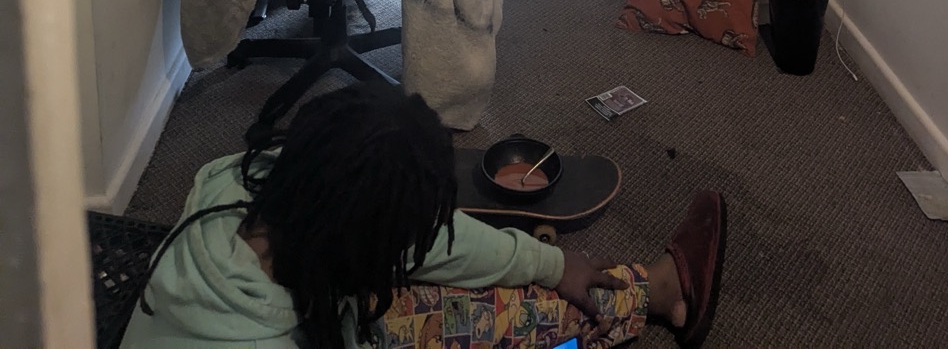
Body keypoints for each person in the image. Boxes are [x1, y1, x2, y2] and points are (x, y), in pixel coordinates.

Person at [122, 84, 726, 349]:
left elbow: (436, 244)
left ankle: (653, 292)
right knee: (494, 319)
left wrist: (549, 263)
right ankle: (661, 295)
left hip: (317, 310)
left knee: (506, 283)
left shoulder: (251, 178)